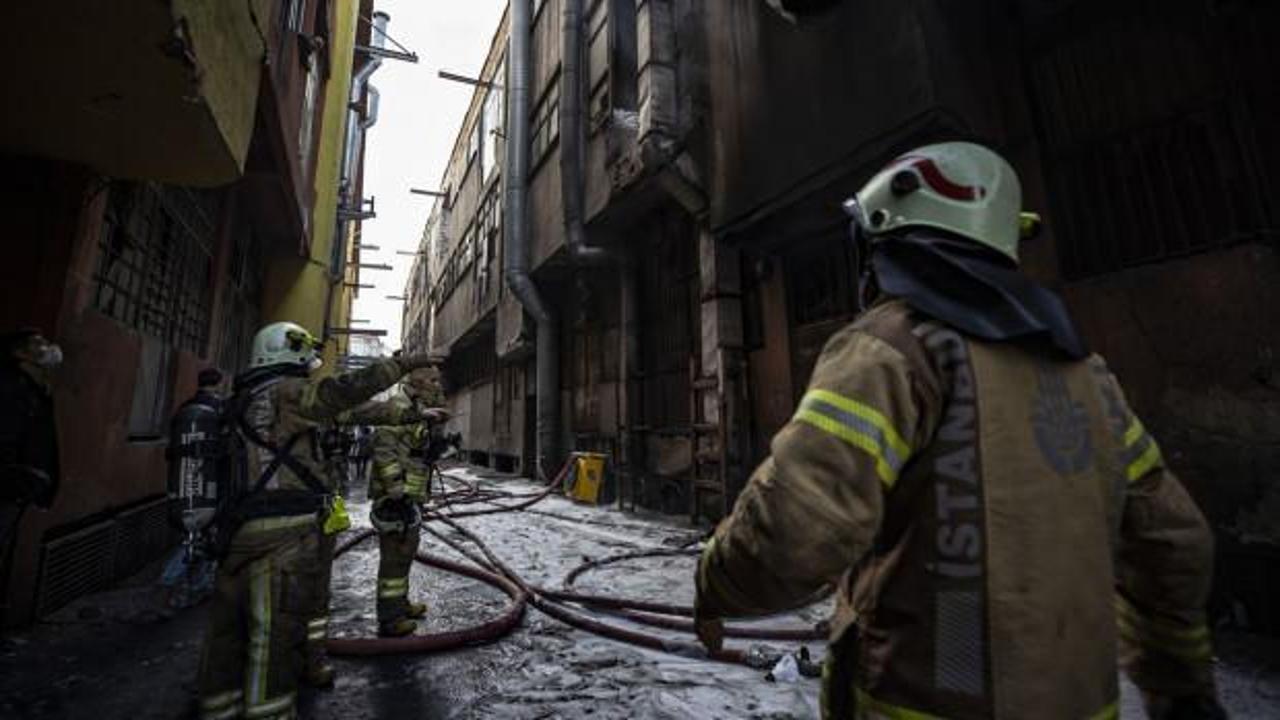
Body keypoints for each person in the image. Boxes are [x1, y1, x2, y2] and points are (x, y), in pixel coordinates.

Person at [693, 142, 1225, 720]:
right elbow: (1175, 543)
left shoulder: (891, 351)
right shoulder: (1086, 377)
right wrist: (1184, 692)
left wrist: (715, 585)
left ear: (882, 246)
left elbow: (797, 529)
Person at [196, 321, 436, 720]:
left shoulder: (244, 397)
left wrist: (413, 413)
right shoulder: (288, 394)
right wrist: (402, 365)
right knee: (275, 634)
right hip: (283, 535)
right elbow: (343, 394)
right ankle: (271, 710)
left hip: (236, 531)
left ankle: (219, 707)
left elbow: (357, 412)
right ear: (289, 354)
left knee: (227, 631)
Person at [368, 366, 448, 638]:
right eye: (432, 380)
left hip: (410, 495)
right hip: (394, 498)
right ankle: (390, 619)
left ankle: (400, 604)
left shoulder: (417, 408)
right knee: (393, 558)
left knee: (405, 553)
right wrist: (396, 493)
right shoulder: (397, 407)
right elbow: (384, 452)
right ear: (415, 381)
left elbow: (416, 449)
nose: (437, 385)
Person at [0, 329, 62, 630]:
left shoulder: (35, 388)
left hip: (20, 486)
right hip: (10, 486)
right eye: (38, 343)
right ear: (20, 353)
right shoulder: (12, 386)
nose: (47, 348)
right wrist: (19, 477)